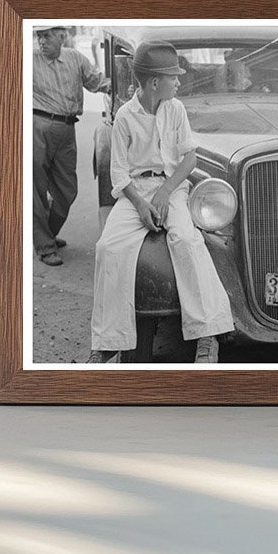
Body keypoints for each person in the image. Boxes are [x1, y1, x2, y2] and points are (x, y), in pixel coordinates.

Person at [88, 41, 235, 364]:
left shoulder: (176, 109)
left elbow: (189, 158)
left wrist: (166, 192)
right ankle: (106, 341)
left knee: (186, 239)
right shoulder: (125, 117)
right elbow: (119, 175)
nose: (179, 82)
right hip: (135, 193)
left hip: (172, 188)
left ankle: (207, 335)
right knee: (109, 248)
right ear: (155, 82)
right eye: (174, 77)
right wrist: (142, 205)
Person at [33, 25, 106, 267]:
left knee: (67, 190)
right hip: (36, 126)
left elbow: (96, 82)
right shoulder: (28, 59)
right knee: (36, 191)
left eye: (47, 36)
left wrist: (124, 86)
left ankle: (47, 234)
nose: (41, 41)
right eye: (39, 36)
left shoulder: (76, 59)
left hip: (66, 129)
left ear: (62, 37)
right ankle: (45, 246)